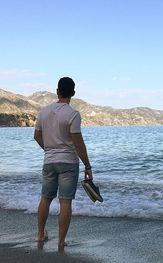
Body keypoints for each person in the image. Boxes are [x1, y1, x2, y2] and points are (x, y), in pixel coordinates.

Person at [34, 77, 92, 251]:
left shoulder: (43, 112)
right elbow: (78, 143)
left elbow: (37, 136)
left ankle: (40, 234)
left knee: (45, 198)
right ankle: (60, 242)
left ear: (57, 91)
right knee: (65, 202)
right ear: (73, 93)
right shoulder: (73, 114)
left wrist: (49, 149)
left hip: (49, 161)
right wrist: (88, 166)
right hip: (68, 162)